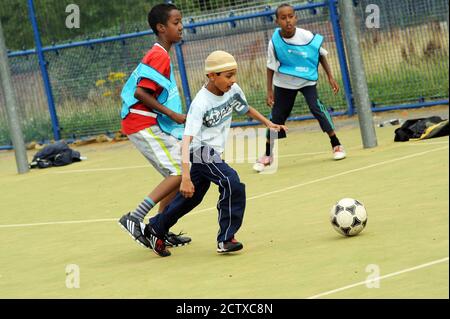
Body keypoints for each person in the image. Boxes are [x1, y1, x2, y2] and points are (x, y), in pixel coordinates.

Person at [143, 50, 288, 257]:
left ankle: (155, 228)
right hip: (200, 151)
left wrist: (268, 123)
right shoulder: (201, 103)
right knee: (232, 182)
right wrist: (185, 177)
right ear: (212, 76)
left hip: (214, 153)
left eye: (234, 74)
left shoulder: (232, 90)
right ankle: (226, 239)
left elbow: (245, 108)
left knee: (191, 199)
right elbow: (186, 141)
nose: (233, 80)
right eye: (228, 76)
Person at [118, 3, 191, 249]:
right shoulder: (159, 55)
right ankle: (135, 217)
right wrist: (173, 114)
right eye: (175, 23)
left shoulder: (161, 54)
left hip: (145, 121)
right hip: (140, 122)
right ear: (161, 28)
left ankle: (158, 229)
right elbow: (141, 92)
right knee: (179, 173)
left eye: (181, 21)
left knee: (174, 175)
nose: (181, 27)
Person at [253, 3, 345, 173]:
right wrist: (269, 91)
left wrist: (330, 77)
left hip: (306, 80)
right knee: (276, 117)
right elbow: (270, 66)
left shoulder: (306, 36)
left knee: (316, 108)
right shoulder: (274, 42)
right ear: (277, 21)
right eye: (283, 18)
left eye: (290, 16)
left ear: (296, 18)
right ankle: (267, 155)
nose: (287, 21)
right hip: (284, 83)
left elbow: (321, 55)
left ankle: (336, 144)